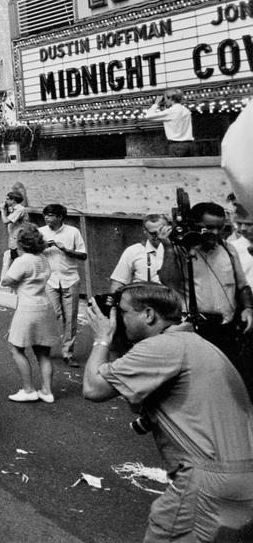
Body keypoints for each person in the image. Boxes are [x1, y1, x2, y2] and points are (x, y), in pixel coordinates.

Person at [81, 284, 253, 543]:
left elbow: (93, 388)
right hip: (239, 476)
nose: (119, 319)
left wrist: (102, 338)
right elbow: (135, 400)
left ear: (149, 315)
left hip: (207, 481)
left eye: (124, 312)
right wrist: (120, 341)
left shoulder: (162, 347)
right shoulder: (192, 343)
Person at [172, 201, 253, 373]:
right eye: (209, 227)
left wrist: (247, 308)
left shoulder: (229, 249)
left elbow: (242, 286)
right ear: (194, 225)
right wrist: (168, 247)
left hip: (227, 330)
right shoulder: (180, 252)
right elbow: (168, 281)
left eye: (220, 228)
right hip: (196, 330)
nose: (215, 233)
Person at [0, 223, 60, 403]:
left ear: (21, 244)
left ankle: (28, 390)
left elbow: (6, 281)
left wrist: (5, 262)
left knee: (16, 349)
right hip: (45, 307)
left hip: (27, 309)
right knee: (43, 353)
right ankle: (47, 391)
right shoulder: (42, 258)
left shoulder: (22, 261)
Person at [39, 203, 87, 366]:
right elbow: (30, 251)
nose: (47, 218)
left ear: (60, 217)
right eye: (45, 215)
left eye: (51, 215)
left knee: (70, 318)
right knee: (51, 314)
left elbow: (83, 255)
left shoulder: (73, 232)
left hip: (70, 279)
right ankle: (45, 348)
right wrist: (43, 246)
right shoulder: (41, 232)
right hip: (49, 279)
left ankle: (68, 353)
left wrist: (66, 250)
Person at [110, 215, 170, 290]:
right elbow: (118, 282)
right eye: (153, 233)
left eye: (161, 231)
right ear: (145, 231)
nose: (159, 236)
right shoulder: (133, 251)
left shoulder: (178, 251)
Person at [143, 90, 195, 157]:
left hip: (176, 146)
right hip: (190, 145)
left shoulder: (170, 112)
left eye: (165, 99)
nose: (165, 101)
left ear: (170, 98)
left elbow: (148, 116)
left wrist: (156, 104)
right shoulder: (186, 110)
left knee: (176, 167)